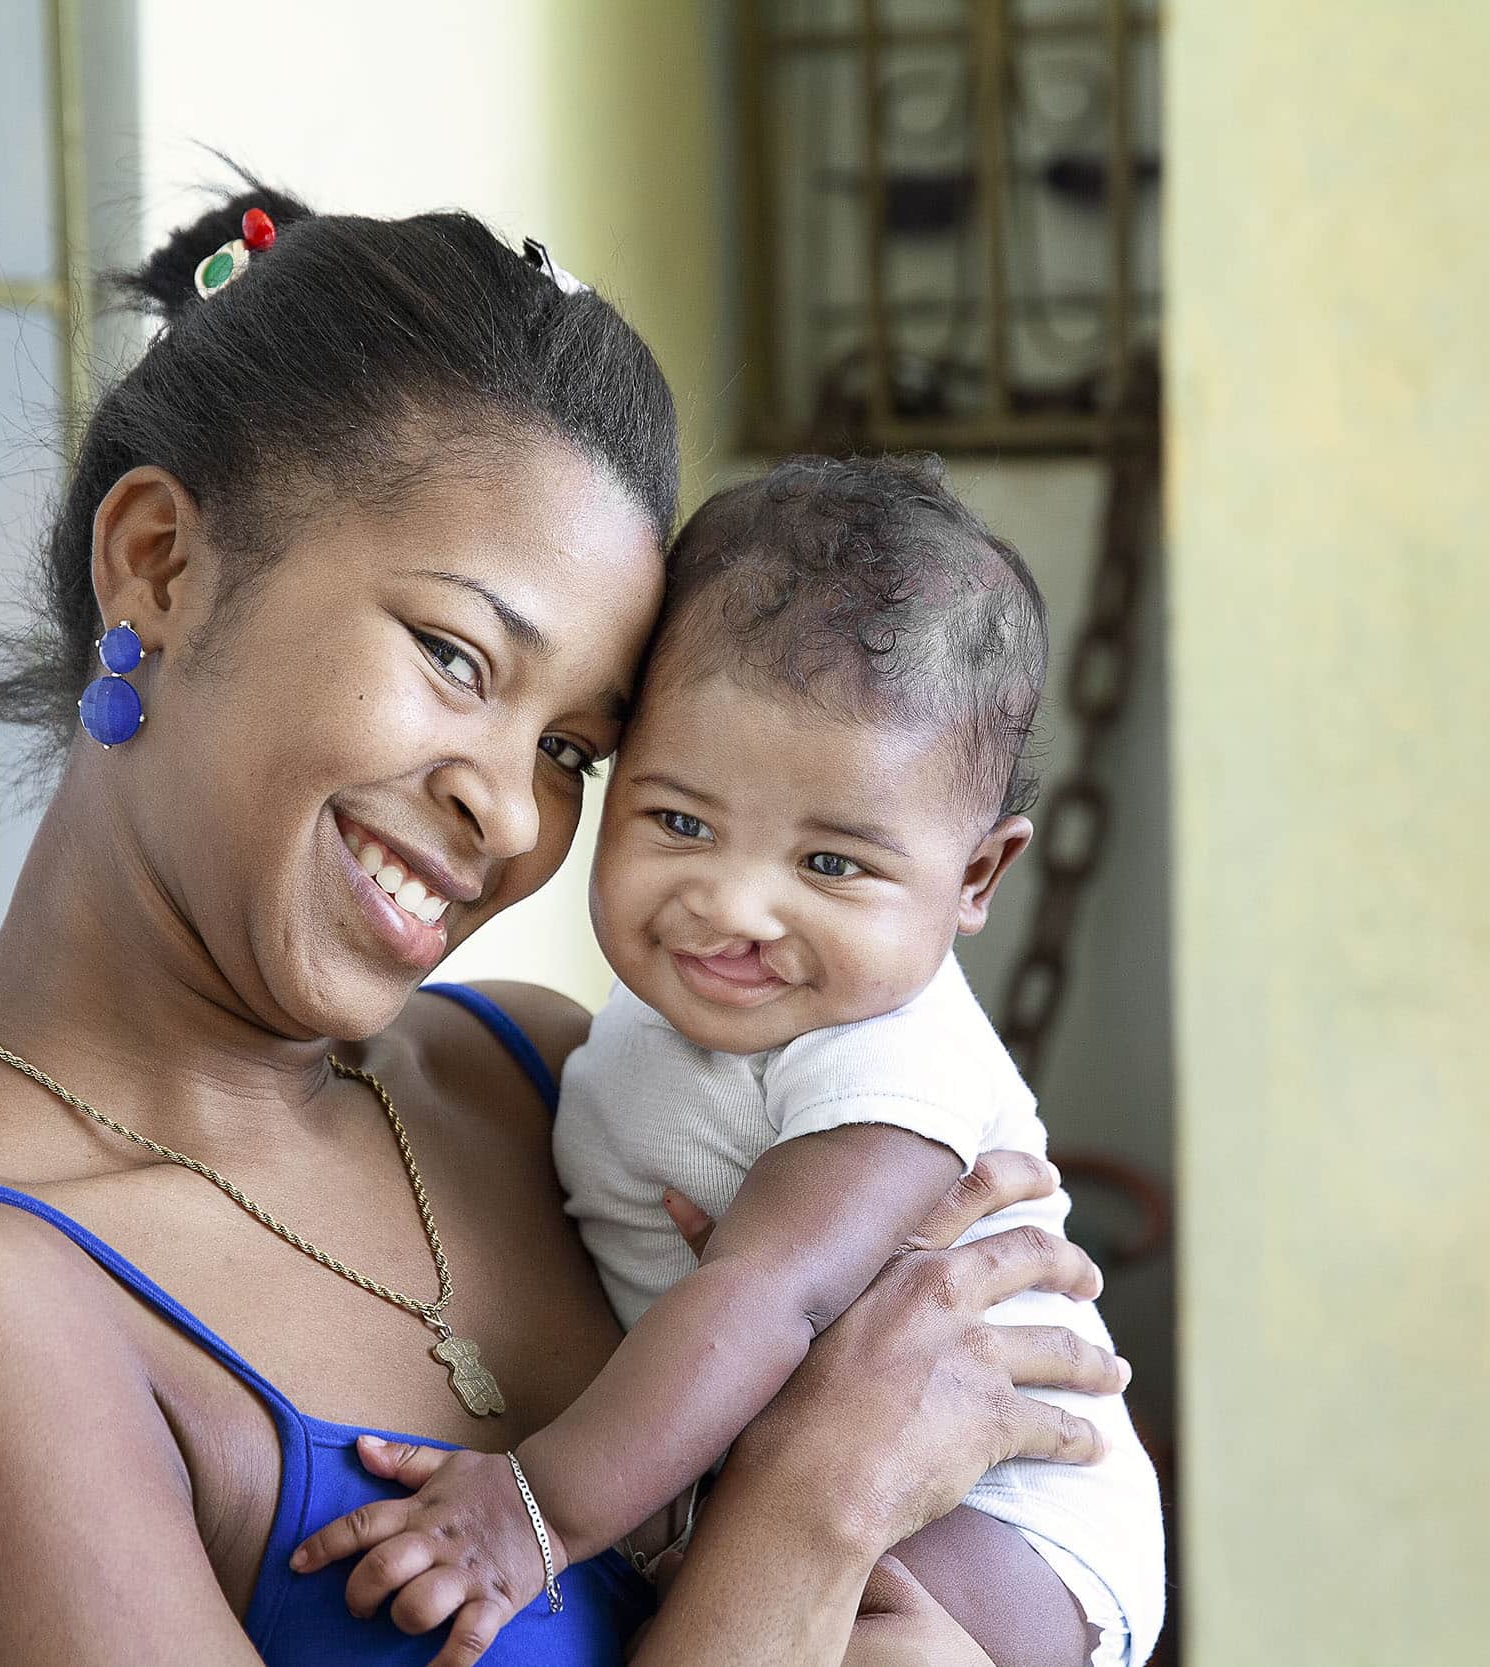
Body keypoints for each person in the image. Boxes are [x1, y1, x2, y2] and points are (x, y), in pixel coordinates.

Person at [0, 182, 1126, 1667]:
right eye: (458, 656)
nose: (516, 816)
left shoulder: (541, 1081)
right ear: (157, 563)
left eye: (573, 752)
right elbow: (839, 1467)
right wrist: (812, 1497)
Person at [294, 458, 1163, 1667]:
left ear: (975, 876)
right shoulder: (635, 1031)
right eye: (681, 823)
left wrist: (534, 1506)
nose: (734, 905)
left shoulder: (894, 1060)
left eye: (833, 864)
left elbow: (769, 1294)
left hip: (1013, 1527)